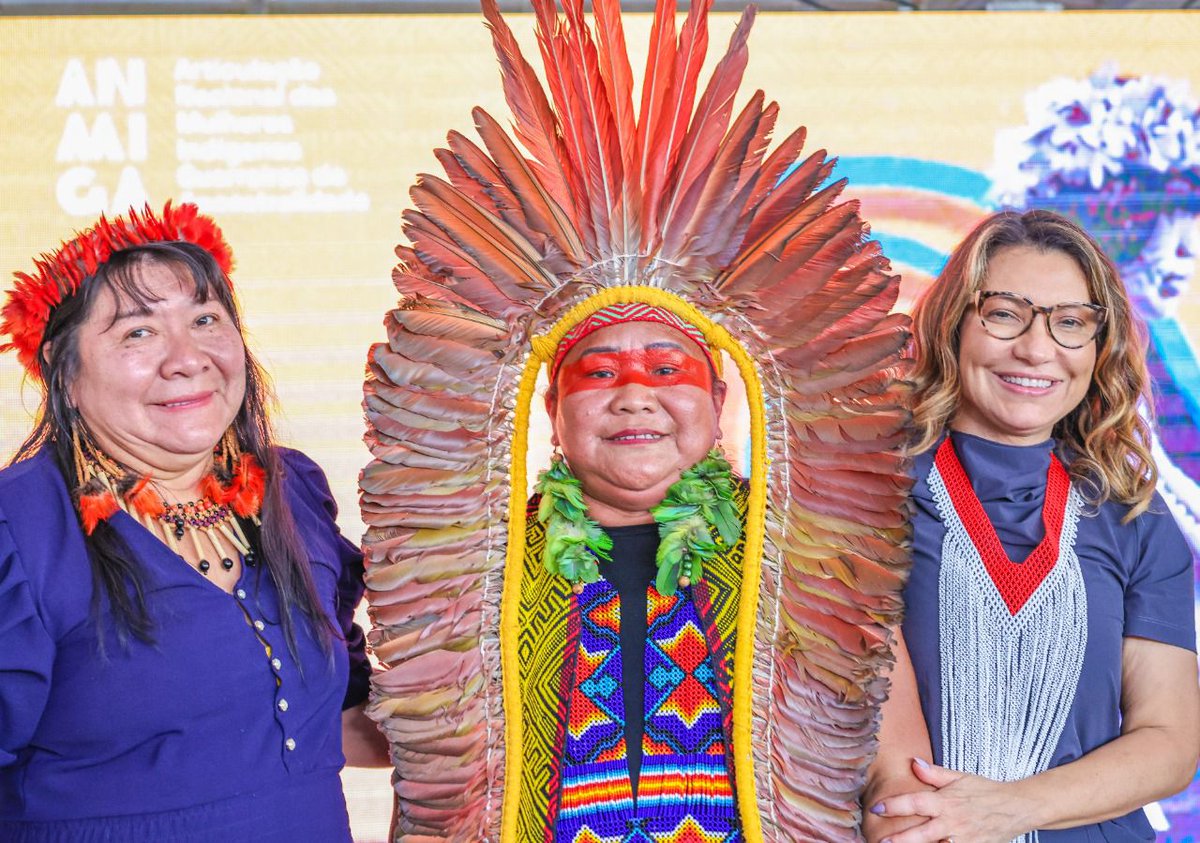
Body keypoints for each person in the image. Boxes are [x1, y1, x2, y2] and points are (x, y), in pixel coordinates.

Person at [356, 0, 922, 838]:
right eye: (599, 371)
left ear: (720, 401)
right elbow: (435, 796)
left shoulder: (806, 564)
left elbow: (894, 781)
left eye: (667, 369)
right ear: (551, 407)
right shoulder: (483, 574)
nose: (634, 394)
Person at [0, 202, 389, 842]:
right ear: (63, 373)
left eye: (206, 319)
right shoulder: (20, 529)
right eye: (138, 333)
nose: (187, 357)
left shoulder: (293, 493)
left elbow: (337, 721)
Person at [870, 209, 1200, 842]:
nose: (1037, 348)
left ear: (1100, 347)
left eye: (1071, 323)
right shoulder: (865, 496)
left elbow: (1170, 742)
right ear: (953, 326)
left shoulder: (1134, 517)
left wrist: (1010, 810)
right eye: (1003, 313)